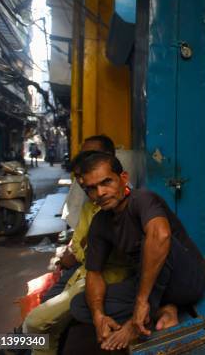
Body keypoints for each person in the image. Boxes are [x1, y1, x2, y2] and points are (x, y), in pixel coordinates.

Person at [70, 153, 205, 351]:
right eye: (92, 188)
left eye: (106, 182)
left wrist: (140, 303)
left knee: (154, 240)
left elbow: (161, 236)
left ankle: (140, 318)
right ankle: (164, 310)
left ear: (123, 178)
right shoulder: (100, 222)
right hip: (153, 288)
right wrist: (98, 316)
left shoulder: (142, 199)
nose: (100, 192)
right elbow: (94, 273)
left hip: (186, 281)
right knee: (80, 305)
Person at [22, 137, 131, 355]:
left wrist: (85, 248)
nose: (98, 191)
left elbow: (96, 255)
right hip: (83, 272)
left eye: (92, 158)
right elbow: (81, 248)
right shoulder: (91, 201)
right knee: (44, 317)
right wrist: (83, 248)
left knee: (35, 323)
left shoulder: (119, 200)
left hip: (101, 277)